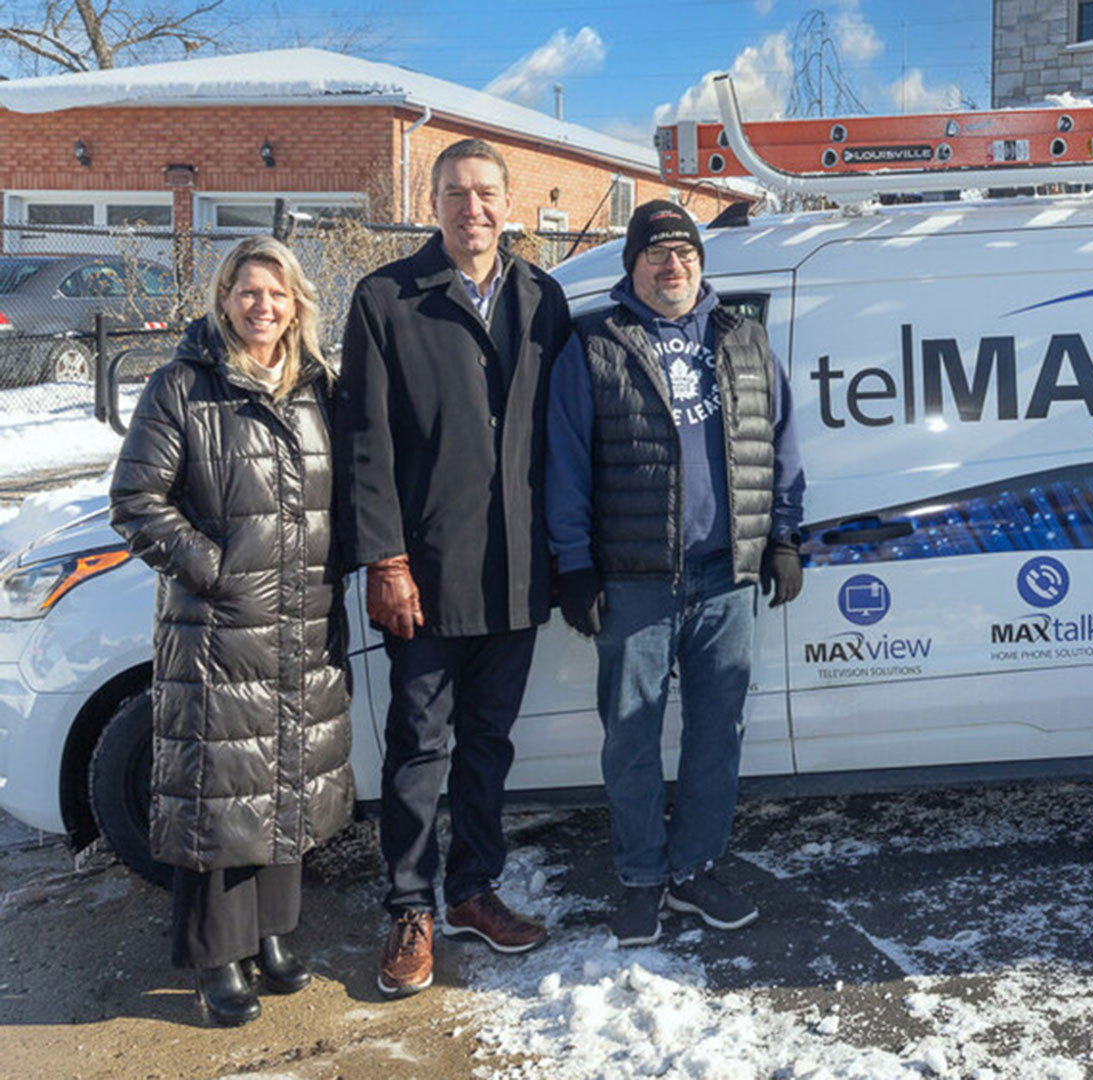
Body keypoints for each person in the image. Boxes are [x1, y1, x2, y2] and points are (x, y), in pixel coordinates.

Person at [334, 138, 572, 997]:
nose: (472, 208)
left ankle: (473, 890)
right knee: (417, 748)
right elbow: (365, 443)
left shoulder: (544, 300)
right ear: (431, 203)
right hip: (425, 574)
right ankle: (409, 907)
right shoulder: (386, 299)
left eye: (485, 193)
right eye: (455, 193)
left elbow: (561, 436)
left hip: (517, 571)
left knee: (487, 748)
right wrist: (385, 558)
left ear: (507, 205)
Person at [546, 199, 805, 945]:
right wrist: (575, 567)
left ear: (701, 261)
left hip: (725, 577)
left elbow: (779, 445)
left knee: (717, 733)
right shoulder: (594, 342)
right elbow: (563, 466)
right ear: (633, 265)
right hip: (633, 580)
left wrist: (781, 538)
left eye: (685, 252)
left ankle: (696, 871)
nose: (673, 265)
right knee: (630, 738)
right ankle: (639, 879)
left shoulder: (743, 338)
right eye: (657, 253)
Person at [109, 236, 351, 1027]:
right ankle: (217, 958)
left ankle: (272, 936)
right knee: (219, 796)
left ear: (297, 304)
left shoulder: (317, 388)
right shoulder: (184, 387)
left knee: (281, 783)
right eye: (248, 292)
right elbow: (137, 499)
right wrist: (214, 570)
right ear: (223, 300)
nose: (263, 307)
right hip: (217, 628)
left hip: (300, 620)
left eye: (277, 294)